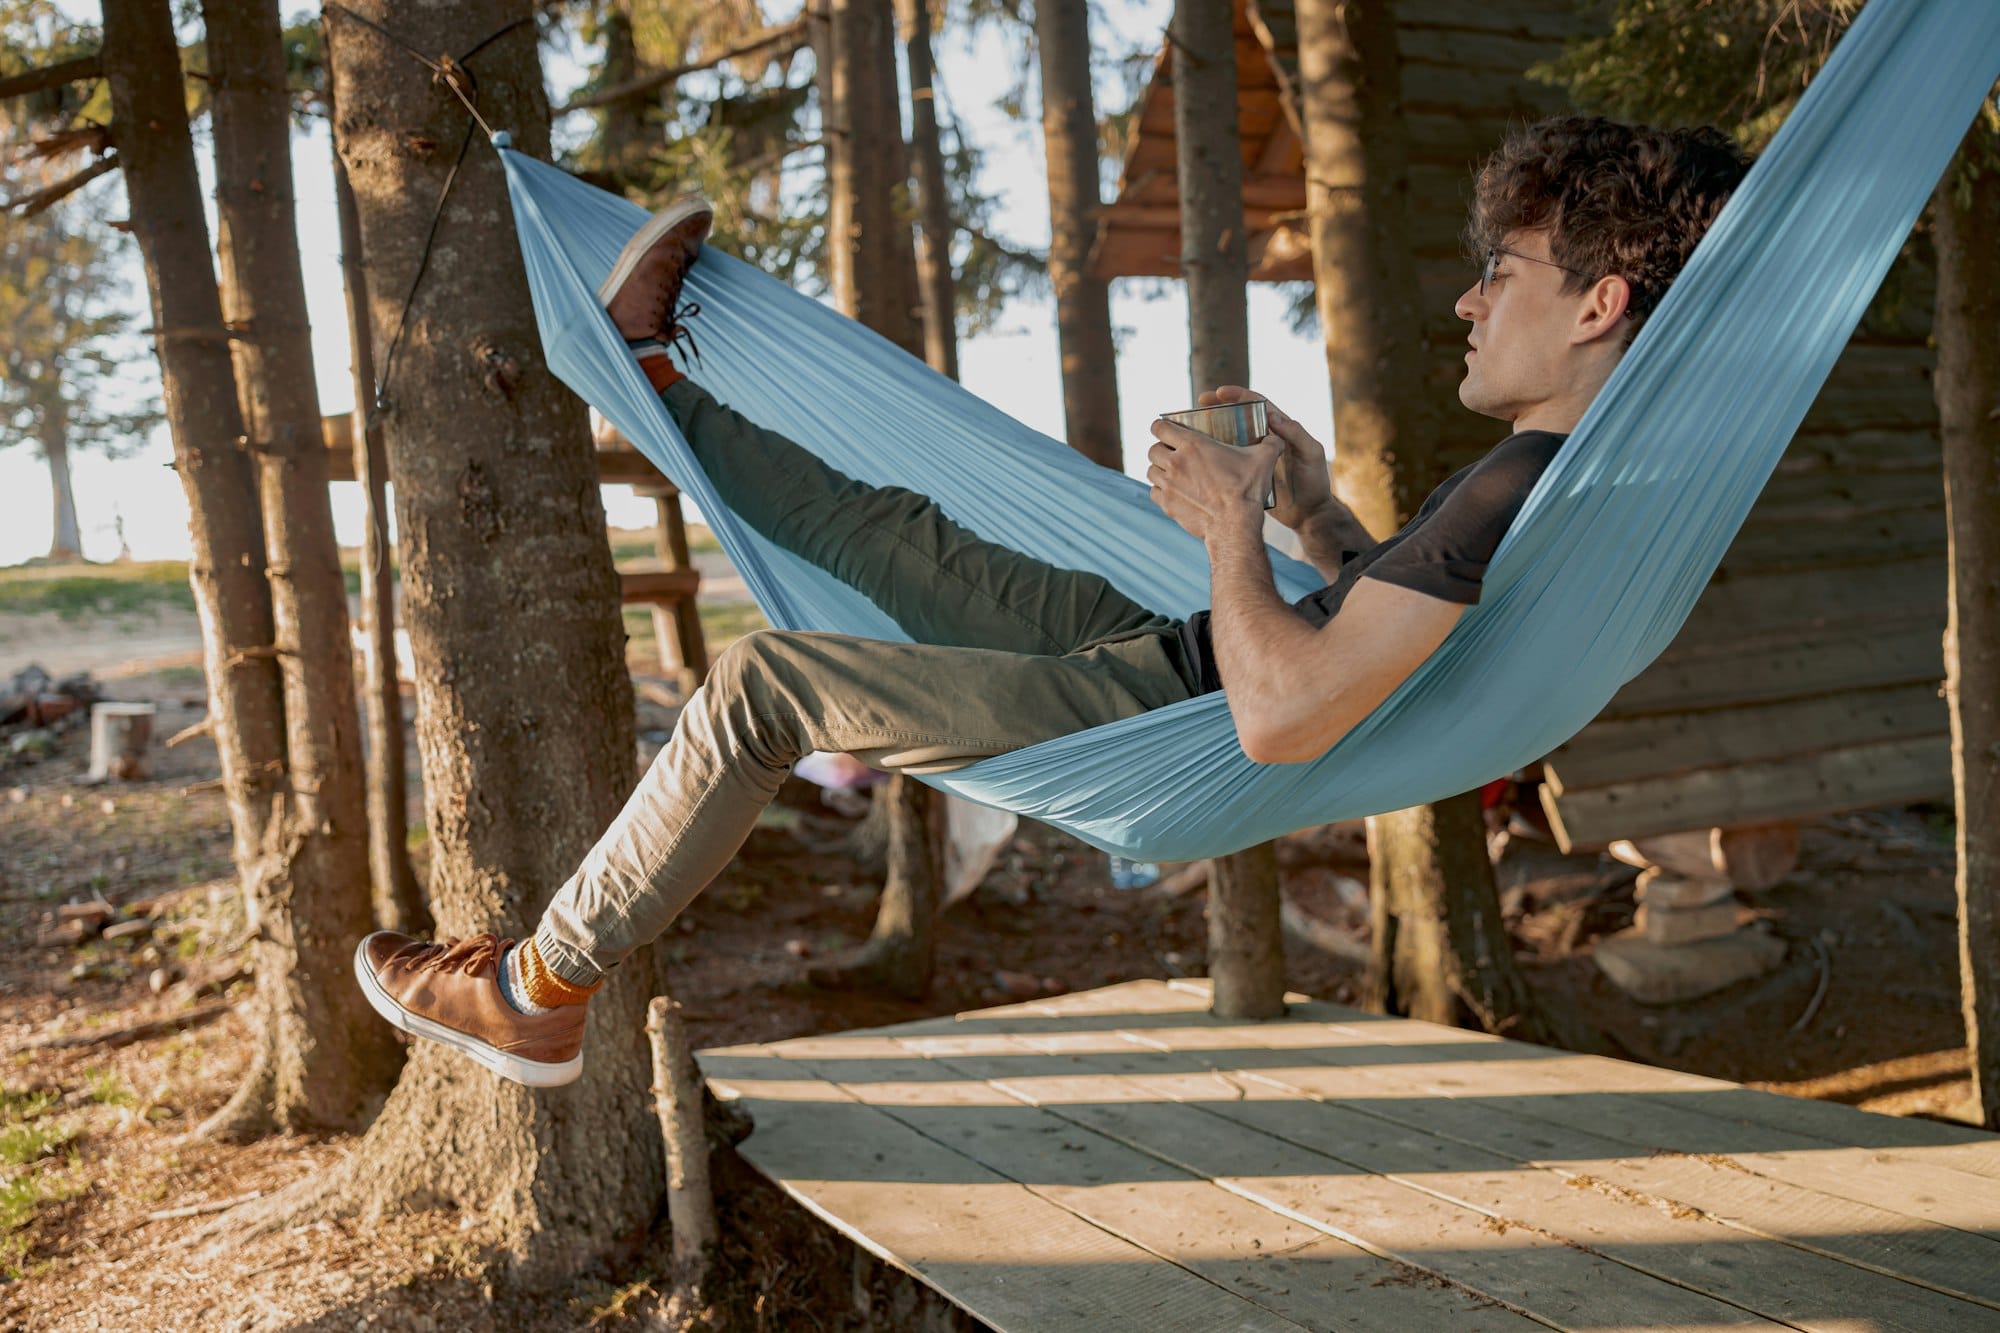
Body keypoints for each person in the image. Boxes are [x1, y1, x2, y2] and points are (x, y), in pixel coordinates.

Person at [353, 116, 1751, 1086]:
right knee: (890, 532)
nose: (1465, 302)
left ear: (1596, 305)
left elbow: (1281, 717)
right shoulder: (1554, 486)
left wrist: (1226, 522)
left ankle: (539, 991)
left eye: (1499, 274)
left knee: (764, 685)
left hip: (1173, 720)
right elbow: (1393, 627)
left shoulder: (1529, 489)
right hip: (1157, 656)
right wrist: (1310, 500)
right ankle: (656, 383)